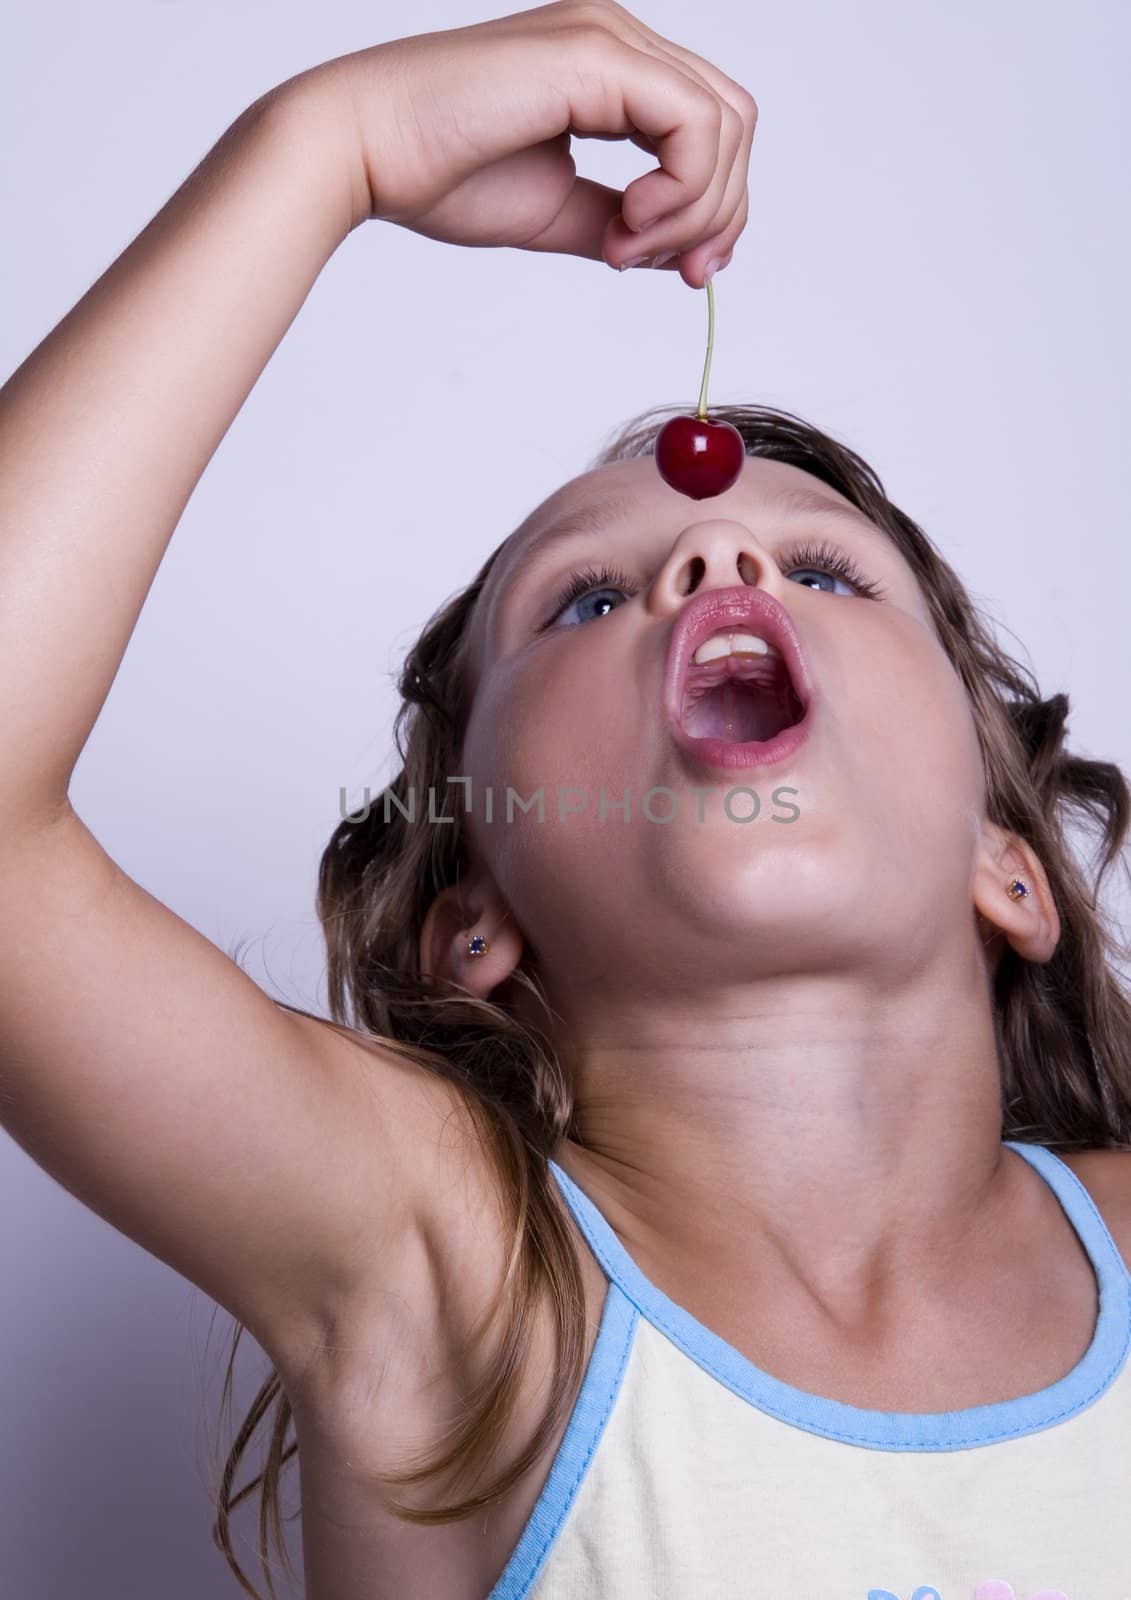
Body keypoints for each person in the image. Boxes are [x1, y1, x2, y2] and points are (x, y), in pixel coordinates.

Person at [2, 4, 1129, 1598]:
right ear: (479, 917)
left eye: (820, 569)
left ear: (1006, 866)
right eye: (587, 606)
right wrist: (329, 146)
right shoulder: (446, 1276)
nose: (713, 560)